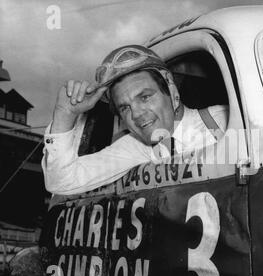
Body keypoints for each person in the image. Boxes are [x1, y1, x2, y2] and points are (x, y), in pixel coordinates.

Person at [42, 45, 228, 195]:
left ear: (171, 90)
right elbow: (62, 181)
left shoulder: (225, 121)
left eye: (145, 97)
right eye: (125, 108)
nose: (137, 115)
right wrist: (64, 114)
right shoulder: (137, 147)